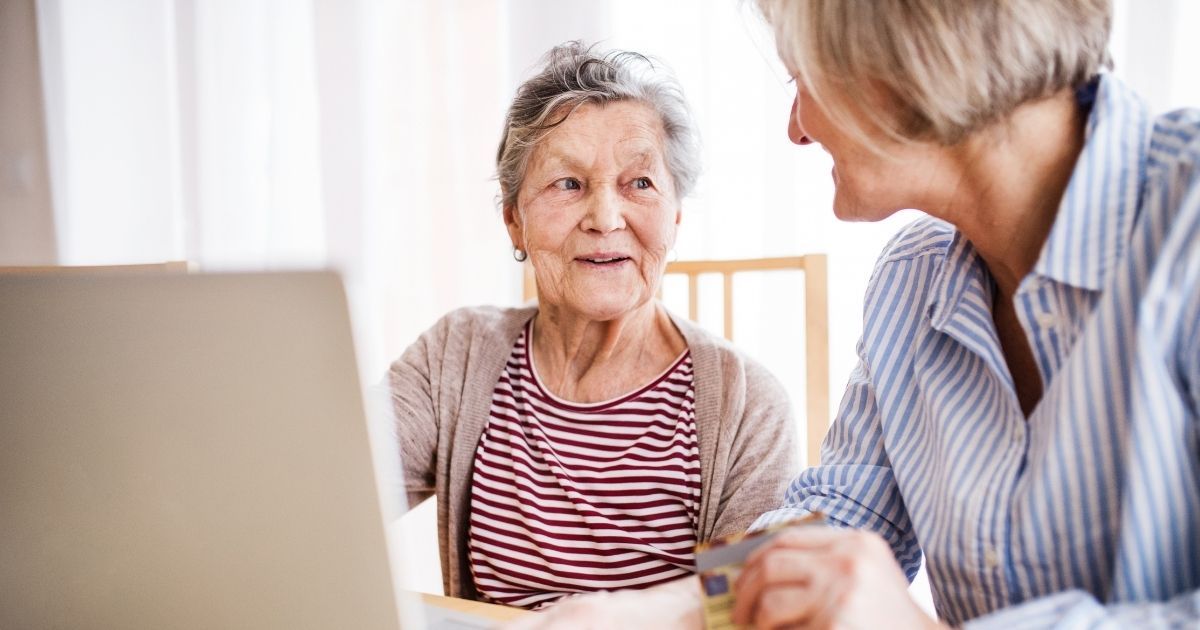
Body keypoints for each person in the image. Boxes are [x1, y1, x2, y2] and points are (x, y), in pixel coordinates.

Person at [510, 0, 1200, 627]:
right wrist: (643, 611)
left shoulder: (1187, 223)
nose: (796, 130)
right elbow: (839, 518)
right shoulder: (913, 279)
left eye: (800, 82)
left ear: (903, 64)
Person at [387, 41, 797, 609]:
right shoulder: (455, 354)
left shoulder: (748, 405)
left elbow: (755, 610)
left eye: (640, 183)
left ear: (675, 217)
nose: (605, 218)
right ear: (514, 220)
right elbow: (325, 487)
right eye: (568, 184)